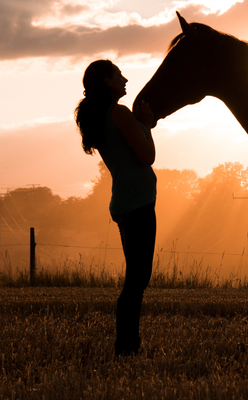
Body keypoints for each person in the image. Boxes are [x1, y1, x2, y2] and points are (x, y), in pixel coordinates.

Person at [74, 59, 157, 356]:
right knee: (138, 278)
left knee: (136, 277)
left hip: (126, 202)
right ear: (107, 81)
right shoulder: (119, 113)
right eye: (118, 74)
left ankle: (128, 344)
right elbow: (147, 156)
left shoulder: (105, 115)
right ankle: (126, 345)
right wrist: (147, 126)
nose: (125, 79)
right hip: (137, 204)